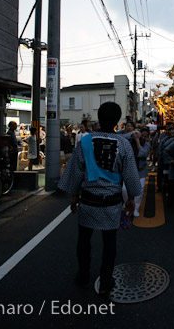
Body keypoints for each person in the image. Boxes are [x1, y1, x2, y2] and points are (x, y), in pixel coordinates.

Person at [58, 102, 140, 297]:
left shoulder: (85, 141)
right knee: (109, 241)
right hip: (111, 201)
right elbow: (130, 176)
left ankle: (84, 277)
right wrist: (131, 199)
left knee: (84, 239)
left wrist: (74, 196)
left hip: (88, 200)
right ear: (117, 121)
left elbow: (76, 171)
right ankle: (105, 282)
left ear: (98, 119)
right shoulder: (123, 144)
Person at [126, 126, 151, 217]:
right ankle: (128, 207)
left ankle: (136, 208)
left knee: (140, 190)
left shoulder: (147, 144)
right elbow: (121, 136)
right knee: (125, 190)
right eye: (142, 136)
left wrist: (137, 141)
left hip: (141, 171)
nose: (143, 138)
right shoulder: (129, 141)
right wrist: (132, 134)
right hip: (129, 170)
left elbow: (143, 154)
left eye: (145, 136)